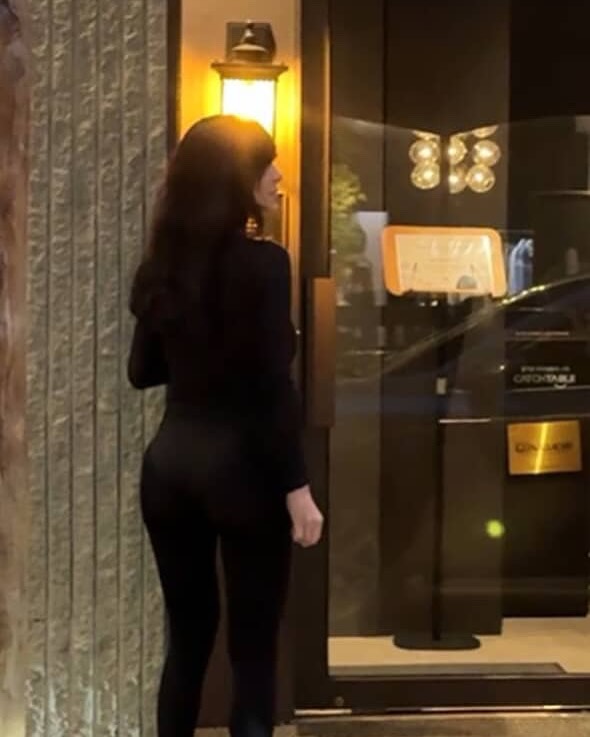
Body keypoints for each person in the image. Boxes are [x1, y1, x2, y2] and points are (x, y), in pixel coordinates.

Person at [127, 115, 324, 737]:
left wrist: (196, 350)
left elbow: (141, 372)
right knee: (253, 648)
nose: (278, 174)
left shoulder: (161, 267)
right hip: (243, 472)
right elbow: (271, 389)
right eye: (267, 163)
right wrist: (298, 489)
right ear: (236, 178)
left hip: (170, 468)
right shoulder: (265, 264)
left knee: (187, 642)